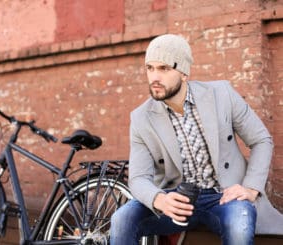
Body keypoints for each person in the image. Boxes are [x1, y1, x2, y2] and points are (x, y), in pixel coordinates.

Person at [110, 34, 283, 245]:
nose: (154, 77)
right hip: (176, 198)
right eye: (150, 68)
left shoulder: (222, 94)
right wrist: (159, 199)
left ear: (184, 73)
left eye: (164, 69)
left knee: (240, 222)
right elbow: (138, 177)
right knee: (122, 219)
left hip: (223, 196)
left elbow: (261, 140)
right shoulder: (141, 118)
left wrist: (250, 188)